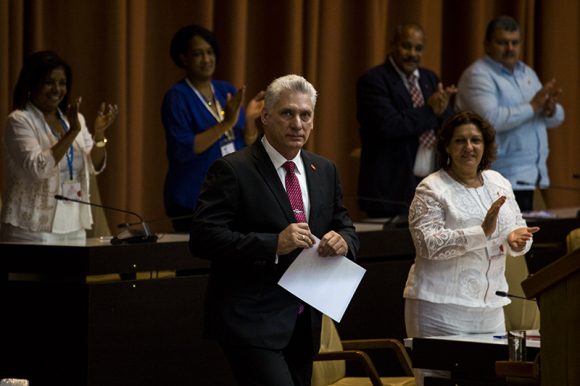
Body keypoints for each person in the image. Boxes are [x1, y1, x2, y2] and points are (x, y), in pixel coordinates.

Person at [189, 74, 359, 386]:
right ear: (266, 117)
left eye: (305, 115)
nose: (298, 123)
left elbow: (345, 225)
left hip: (303, 320)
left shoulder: (324, 170)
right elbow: (202, 237)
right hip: (250, 319)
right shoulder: (233, 169)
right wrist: (272, 244)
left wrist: (343, 241)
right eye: (287, 113)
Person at [403, 111, 540, 385]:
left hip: (490, 311)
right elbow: (427, 244)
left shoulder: (498, 182)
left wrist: (516, 240)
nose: (469, 147)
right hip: (440, 309)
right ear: (447, 147)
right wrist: (482, 233)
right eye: (460, 141)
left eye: (476, 140)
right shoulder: (431, 188)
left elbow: (516, 227)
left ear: (485, 145)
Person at [0, 50, 118, 242]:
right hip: (32, 229)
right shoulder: (19, 120)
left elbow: (93, 166)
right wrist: (72, 133)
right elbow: (38, 168)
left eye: (62, 83)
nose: (57, 89)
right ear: (32, 83)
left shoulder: (74, 119)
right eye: (49, 82)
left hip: (74, 226)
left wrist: (99, 134)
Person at [455, 15, 565, 212]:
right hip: (498, 177)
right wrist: (533, 105)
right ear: (487, 45)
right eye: (502, 42)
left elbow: (556, 119)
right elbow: (489, 120)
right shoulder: (478, 75)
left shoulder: (527, 73)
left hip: (533, 175)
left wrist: (550, 110)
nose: (510, 48)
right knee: (504, 241)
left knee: (530, 239)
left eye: (515, 42)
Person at [161, 24, 264, 232]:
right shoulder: (177, 96)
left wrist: (251, 119)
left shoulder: (225, 90)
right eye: (198, 54)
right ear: (183, 58)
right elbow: (185, 148)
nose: (207, 59)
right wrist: (225, 124)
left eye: (210, 52)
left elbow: (247, 143)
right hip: (193, 198)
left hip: (230, 195)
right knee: (197, 262)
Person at [356, 22, 457, 219]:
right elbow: (389, 125)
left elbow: (447, 124)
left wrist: (443, 110)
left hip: (431, 187)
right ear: (392, 45)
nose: (412, 53)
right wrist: (430, 110)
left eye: (418, 48)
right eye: (406, 46)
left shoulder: (430, 79)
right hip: (389, 192)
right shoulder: (373, 81)